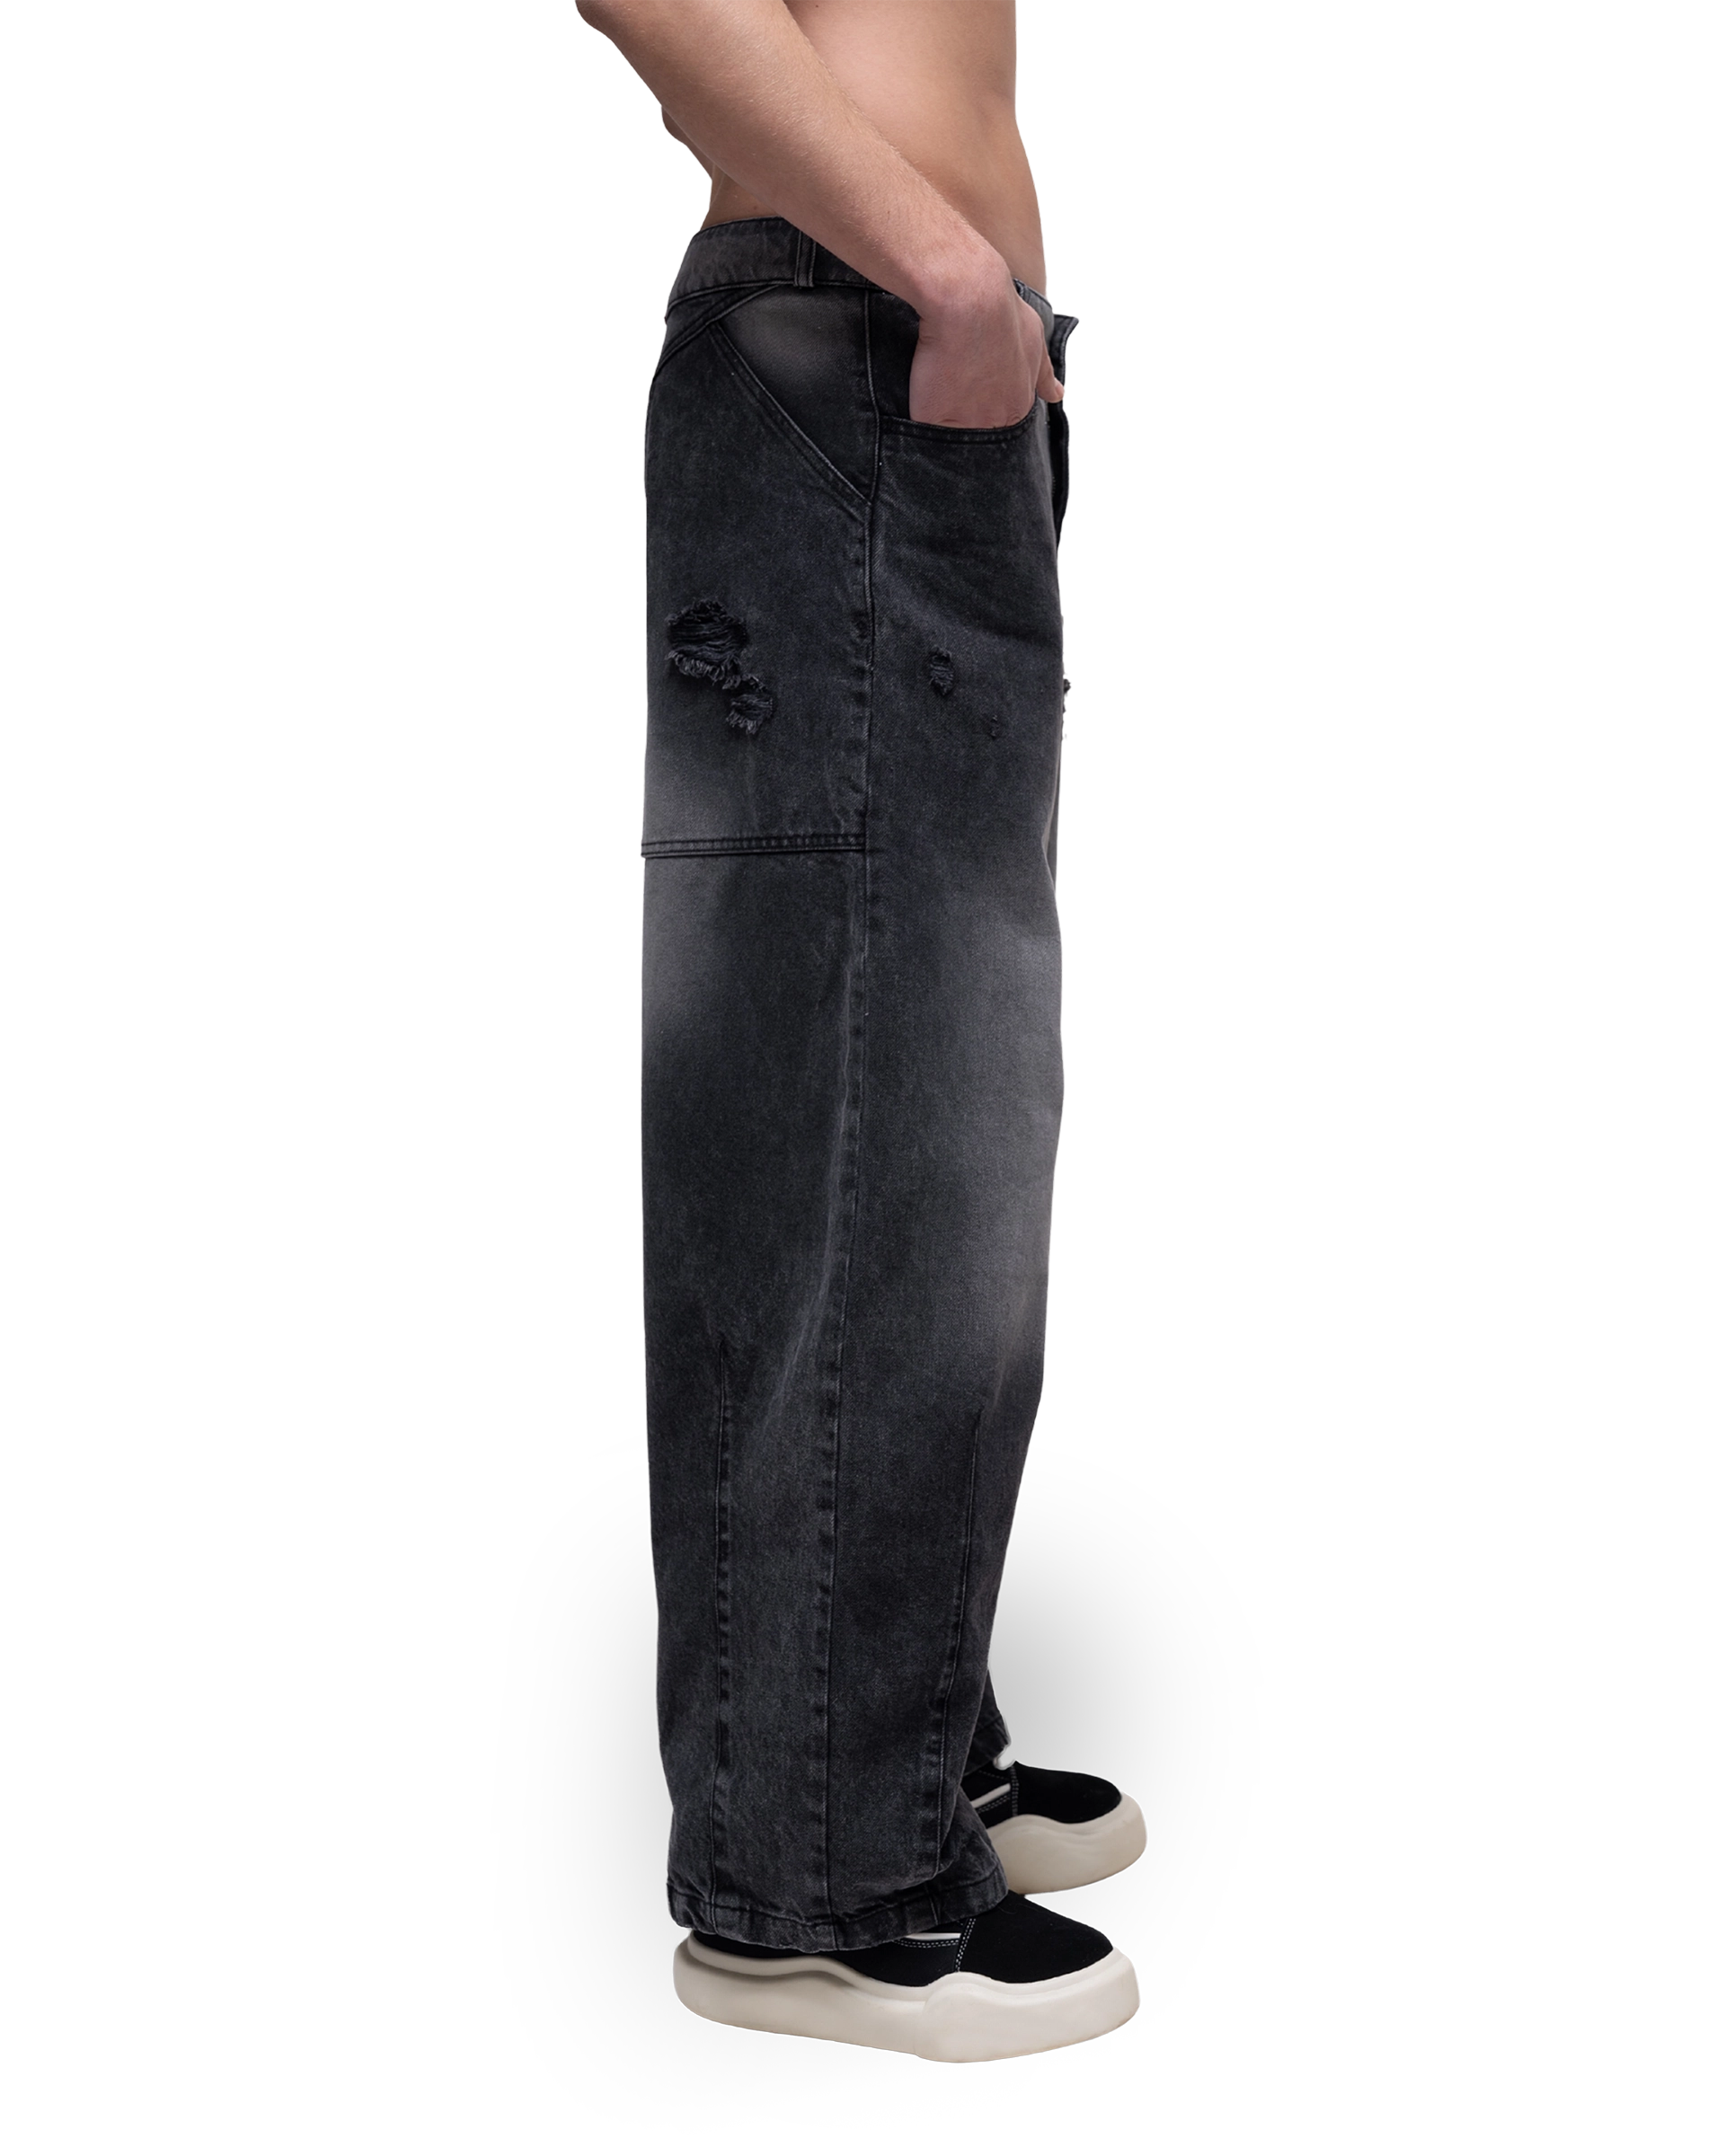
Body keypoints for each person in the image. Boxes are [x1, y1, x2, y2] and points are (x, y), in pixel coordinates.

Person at [576, 0, 1146, 2063]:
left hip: (911, 360)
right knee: (868, 1133)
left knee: (929, 1117)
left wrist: (972, 295)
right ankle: (809, 1892)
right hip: (859, 338)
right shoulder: (892, 292)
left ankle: (889, 1752)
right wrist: (937, 266)